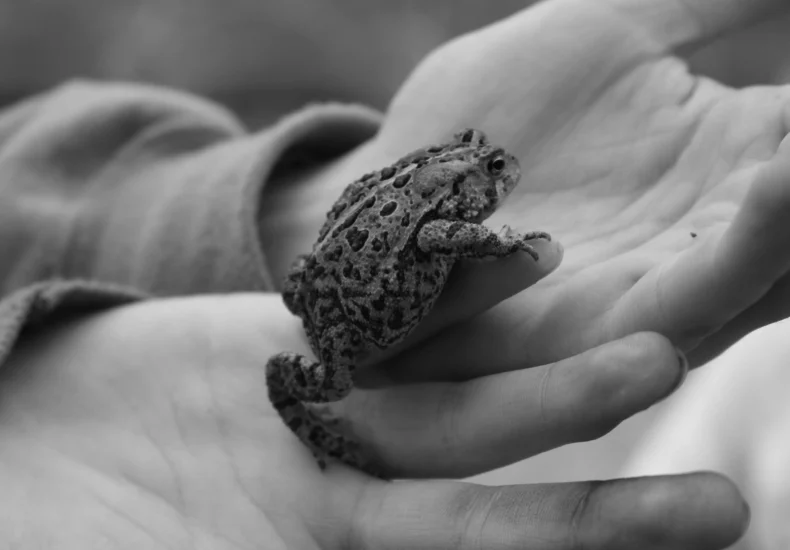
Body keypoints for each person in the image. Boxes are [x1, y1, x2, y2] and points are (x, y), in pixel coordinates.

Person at [0, 0, 788, 547]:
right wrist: (505, 240)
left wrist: (275, 213)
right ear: (457, 183)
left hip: (326, 267)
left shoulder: (426, 180)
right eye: (484, 172)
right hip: (356, 327)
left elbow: (424, 219)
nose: (495, 174)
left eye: (487, 164)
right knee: (325, 382)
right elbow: (447, 231)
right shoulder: (445, 210)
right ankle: (315, 428)